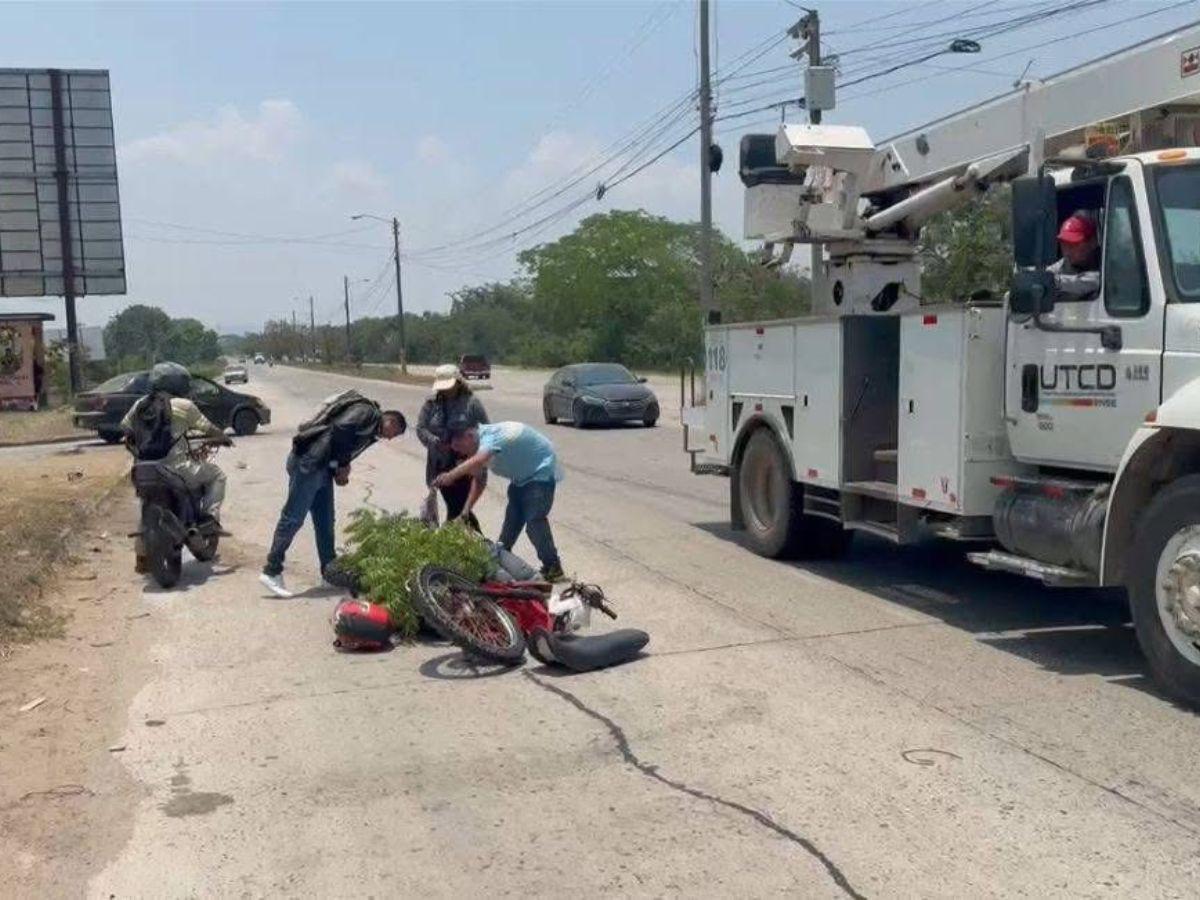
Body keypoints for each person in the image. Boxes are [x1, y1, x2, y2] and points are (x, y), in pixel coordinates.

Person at [259, 391, 406, 598]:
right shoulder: (368, 412)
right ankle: (271, 570)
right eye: (394, 431)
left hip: (322, 469)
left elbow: (342, 443)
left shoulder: (371, 429)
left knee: (325, 521)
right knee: (293, 518)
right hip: (309, 464)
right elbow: (341, 428)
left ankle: (329, 573)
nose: (390, 437)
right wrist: (342, 464)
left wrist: (339, 468)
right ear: (390, 419)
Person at [121, 362, 229, 573]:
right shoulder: (184, 406)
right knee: (217, 475)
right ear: (178, 383)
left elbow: (125, 431)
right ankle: (209, 518)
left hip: (143, 470)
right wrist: (223, 437)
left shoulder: (140, 404)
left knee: (146, 503)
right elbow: (208, 428)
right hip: (177, 469)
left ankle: (141, 556)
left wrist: (139, 453)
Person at [434, 422, 565, 581]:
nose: (460, 453)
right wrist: (465, 512)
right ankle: (502, 566)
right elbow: (480, 480)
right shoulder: (478, 448)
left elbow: (479, 459)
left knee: (534, 523)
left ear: (469, 436)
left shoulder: (489, 437)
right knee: (509, 529)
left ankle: (553, 567)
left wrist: (451, 476)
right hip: (520, 480)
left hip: (540, 475)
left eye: (460, 447)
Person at [416, 363, 489, 529]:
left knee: (458, 504)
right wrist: (434, 441)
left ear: (458, 382)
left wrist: (470, 447)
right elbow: (421, 428)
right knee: (456, 504)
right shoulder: (431, 404)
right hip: (439, 463)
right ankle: (465, 538)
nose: (446, 390)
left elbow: (486, 430)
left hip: (463, 463)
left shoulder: (472, 403)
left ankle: (459, 538)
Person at [1050, 212, 1101, 302]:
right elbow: (1044, 275)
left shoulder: (1106, 264)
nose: (1066, 250)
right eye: (1063, 244)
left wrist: (1057, 282)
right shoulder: (1061, 266)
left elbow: (1098, 281)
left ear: (1093, 242)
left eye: (1073, 244)